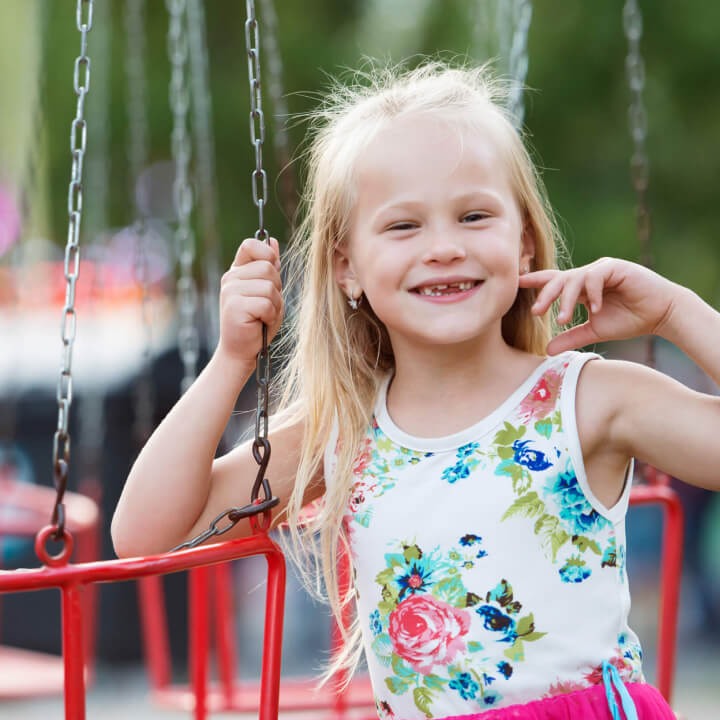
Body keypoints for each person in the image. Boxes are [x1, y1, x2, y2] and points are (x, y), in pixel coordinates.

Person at [112, 61, 720, 720]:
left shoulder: (591, 399)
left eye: (474, 216)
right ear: (347, 269)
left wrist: (678, 313)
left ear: (523, 244)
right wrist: (232, 359)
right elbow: (144, 534)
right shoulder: (343, 431)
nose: (443, 248)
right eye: (404, 227)